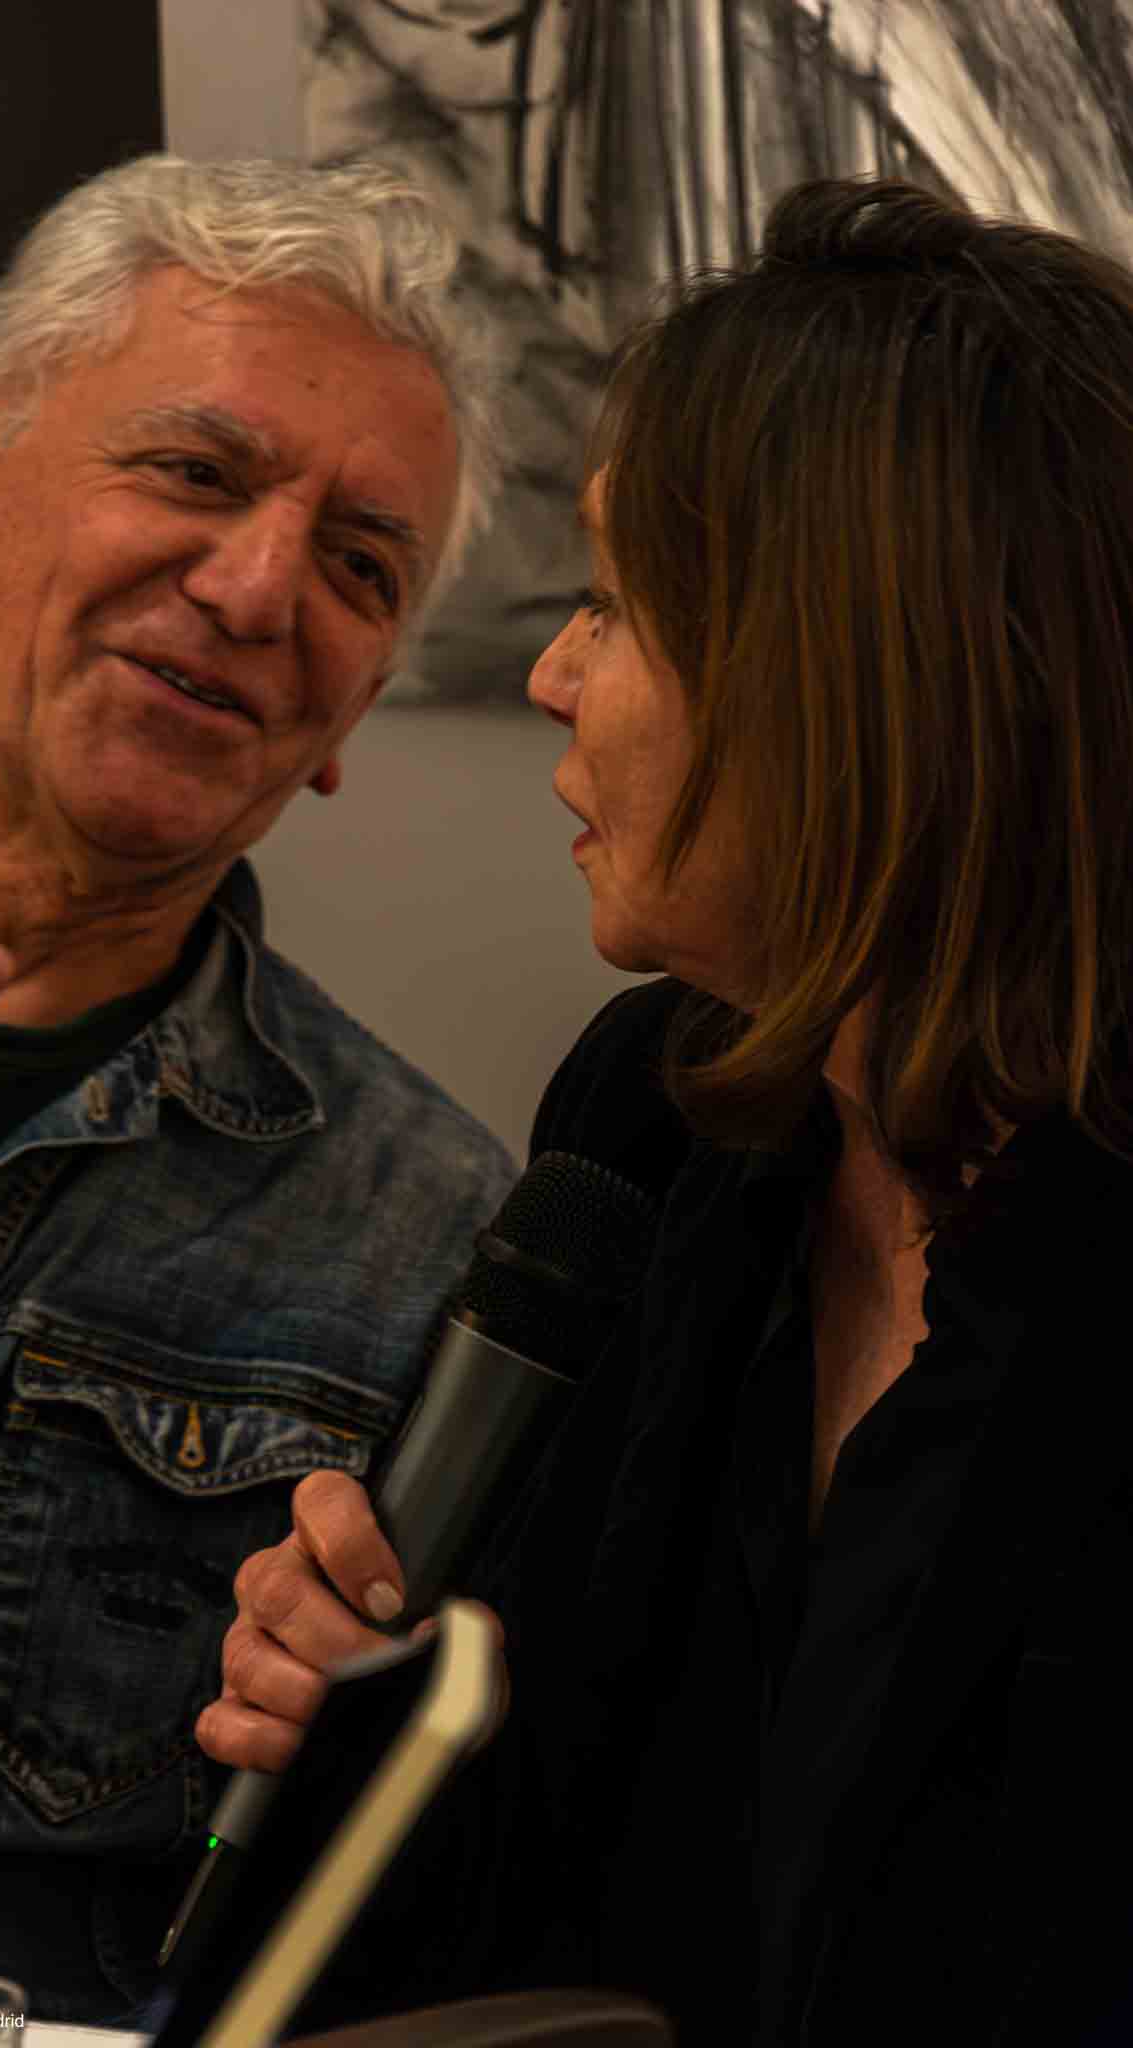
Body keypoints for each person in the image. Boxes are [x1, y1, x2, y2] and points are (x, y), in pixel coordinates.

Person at [200, 177, 1133, 2047]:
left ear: (853, 685)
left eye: (615, 606)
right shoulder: (656, 1126)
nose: (553, 677)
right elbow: (536, 1927)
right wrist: (382, 1712)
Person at [0, 153, 518, 2021]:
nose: (259, 589)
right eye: (191, 470)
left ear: (356, 711)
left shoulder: (435, 1241)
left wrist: (368, 1734)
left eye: (359, 568)